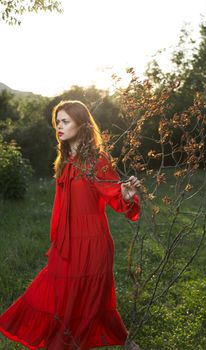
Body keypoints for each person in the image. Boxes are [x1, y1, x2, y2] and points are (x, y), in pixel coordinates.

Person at [0, 100, 141, 350]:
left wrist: (126, 195)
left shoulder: (97, 161)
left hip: (93, 242)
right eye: (57, 123)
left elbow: (113, 194)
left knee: (93, 300)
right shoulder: (65, 161)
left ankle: (123, 340)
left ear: (81, 123)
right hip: (67, 242)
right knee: (55, 291)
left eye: (65, 121)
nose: (59, 127)